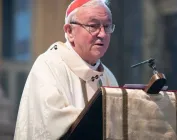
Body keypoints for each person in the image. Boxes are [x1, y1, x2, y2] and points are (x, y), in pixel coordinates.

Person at [14, 0, 118, 139]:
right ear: (69, 31)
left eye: (107, 26)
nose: (103, 34)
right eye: (93, 26)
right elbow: (51, 122)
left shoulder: (108, 77)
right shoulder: (48, 65)